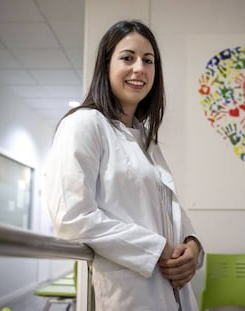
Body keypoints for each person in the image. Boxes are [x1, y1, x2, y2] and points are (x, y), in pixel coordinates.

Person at [45, 19, 204, 311]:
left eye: (148, 60)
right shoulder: (84, 124)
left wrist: (192, 246)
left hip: (174, 294)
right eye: (127, 58)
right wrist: (157, 249)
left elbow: (169, 210)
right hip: (130, 295)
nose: (140, 69)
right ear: (106, 65)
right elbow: (70, 217)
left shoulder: (145, 138)